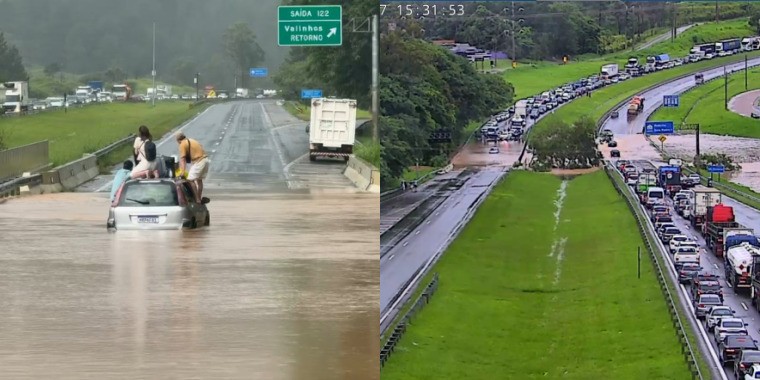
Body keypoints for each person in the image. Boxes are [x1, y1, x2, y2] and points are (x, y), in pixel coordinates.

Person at [175, 132, 210, 202]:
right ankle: (199, 198)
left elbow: (183, 159)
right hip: (205, 160)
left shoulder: (182, 144)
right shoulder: (192, 140)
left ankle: (197, 199)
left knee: (190, 180)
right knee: (199, 180)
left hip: (199, 161)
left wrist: (182, 171)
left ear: (178, 140)